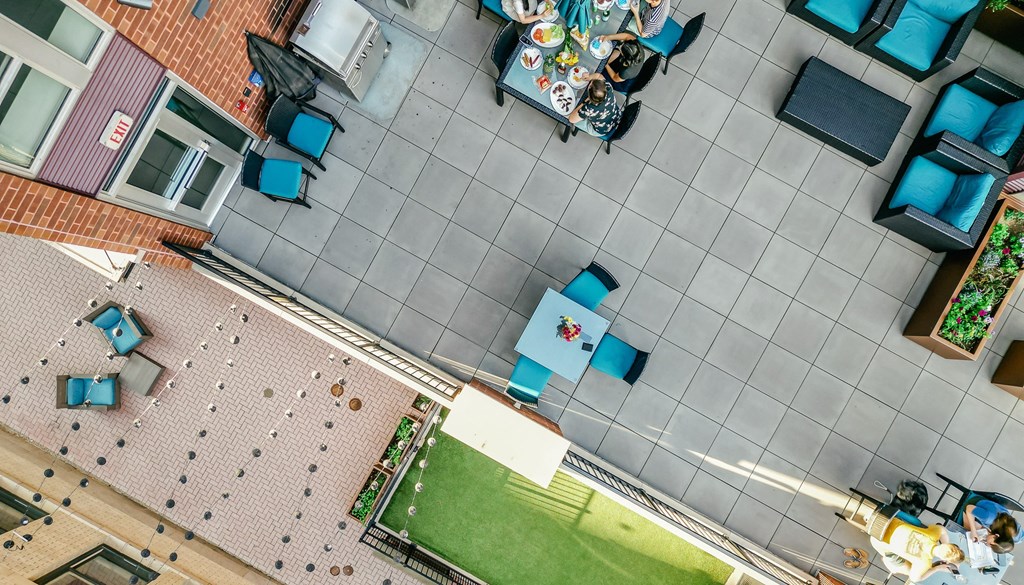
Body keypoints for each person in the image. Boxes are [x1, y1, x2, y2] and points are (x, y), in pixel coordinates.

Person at [868, 517, 965, 583]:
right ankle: (892, 566)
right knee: (910, 571)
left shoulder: (935, 533)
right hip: (877, 540)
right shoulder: (924, 563)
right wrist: (937, 568)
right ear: (944, 560)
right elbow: (915, 579)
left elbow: (943, 531)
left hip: (887, 520)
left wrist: (948, 547)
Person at [598, 0, 670, 42]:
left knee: (623, 20)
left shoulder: (653, 18)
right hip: (646, 10)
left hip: (645, 29)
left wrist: (636, 13)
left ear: (653, 1)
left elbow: (643, 34)